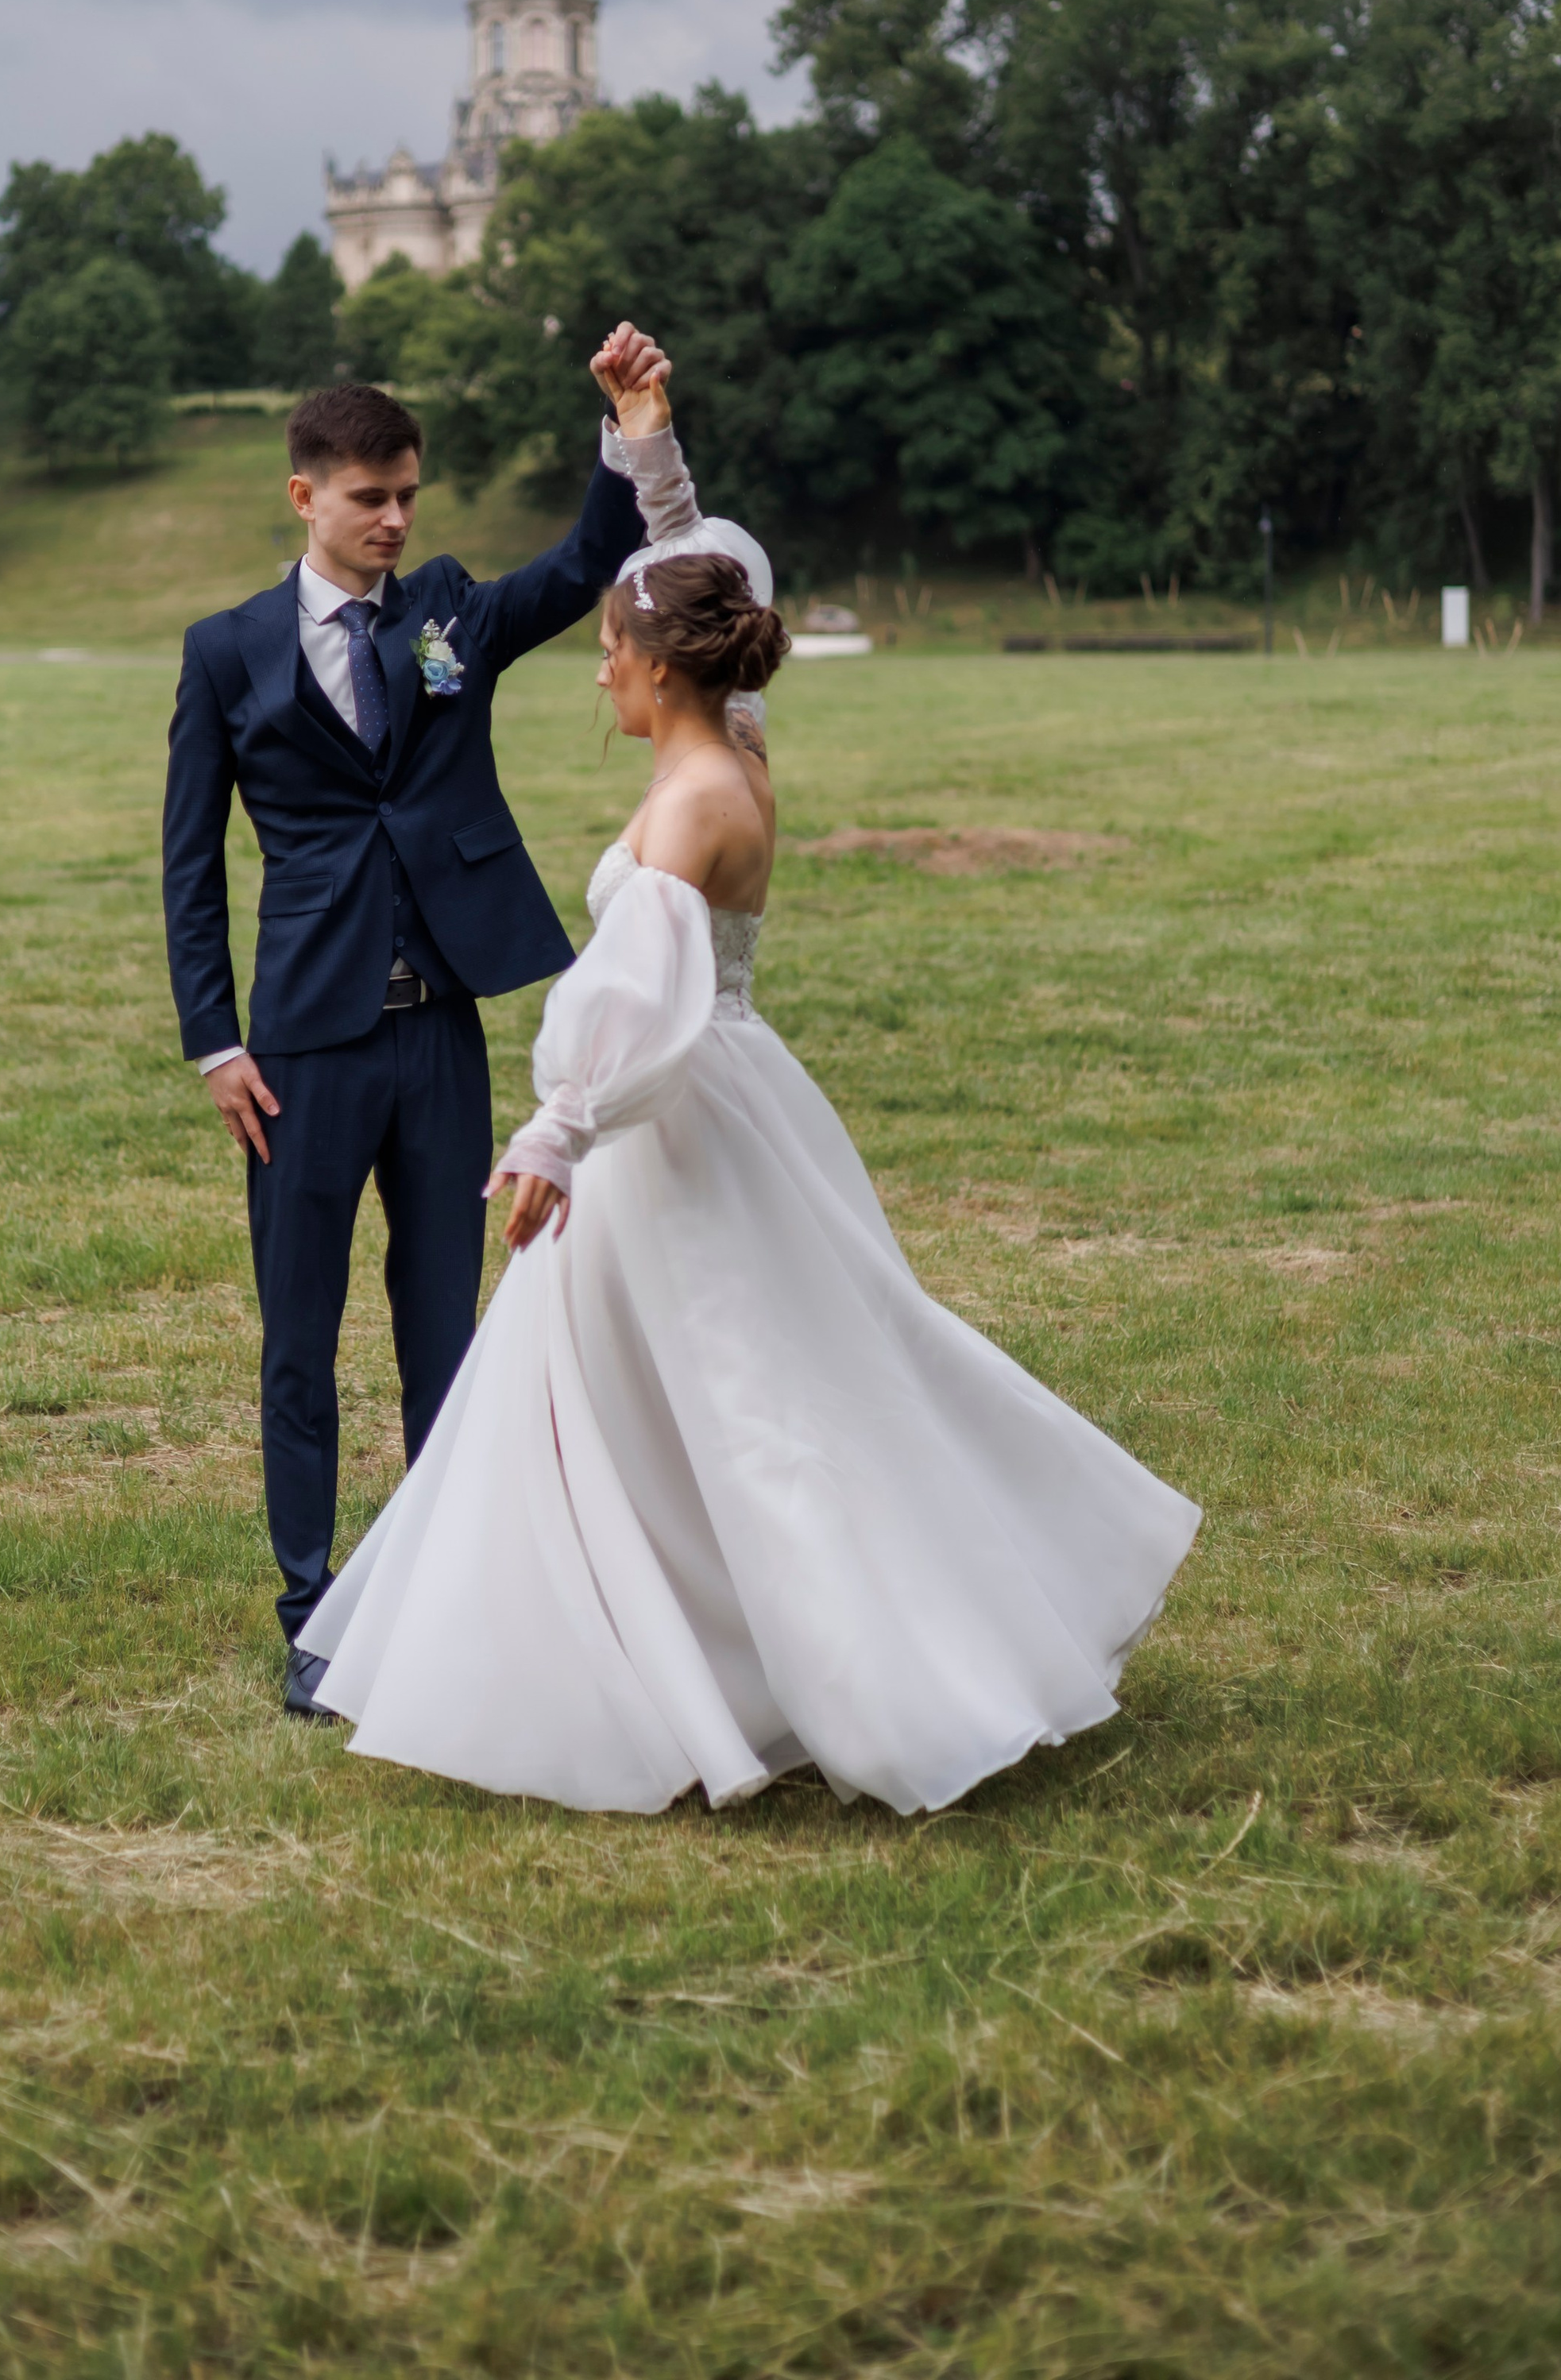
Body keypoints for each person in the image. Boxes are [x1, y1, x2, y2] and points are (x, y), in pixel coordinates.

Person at [298, 393, 1201, 1815]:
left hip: (671, 1126)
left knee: (740, 1402)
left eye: (613, 649)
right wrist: (652, 457)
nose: (600, 669)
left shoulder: (691, 804)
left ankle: (838, 1679)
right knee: (650, 1395)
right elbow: (705, 575)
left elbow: (634, 993)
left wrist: (556, 1130)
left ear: (663, 666)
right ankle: (628, 1661)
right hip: (721, 1094)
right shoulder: (737, 743)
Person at [161, 335, 677, 1717]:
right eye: (369, 498)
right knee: (299, 1338)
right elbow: (190, 864)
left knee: (445, 1324)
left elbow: (585, 565)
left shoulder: (446, 614)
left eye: (408, 496)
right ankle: (314, 1616)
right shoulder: (226, 653)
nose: (395, 519)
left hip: (441, 1029)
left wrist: (627, 431)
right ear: (304, 496)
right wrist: (218, 1043)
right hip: (302, 1049)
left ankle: (445, 1596)